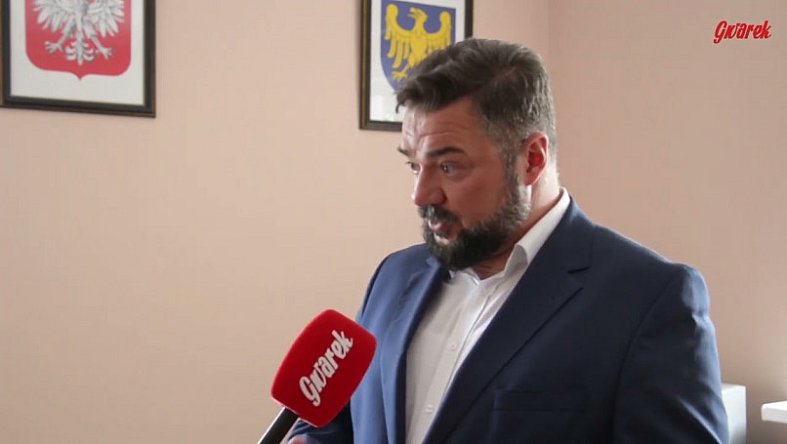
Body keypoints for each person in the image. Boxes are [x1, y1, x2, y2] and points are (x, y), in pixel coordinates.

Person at [290, 38, 728, 443]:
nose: (421, 195)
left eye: (448, 167)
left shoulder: (647, 301)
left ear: (532, 159)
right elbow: (342, 423)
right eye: (414, 166)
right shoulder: (393, 276)